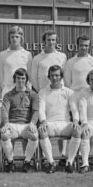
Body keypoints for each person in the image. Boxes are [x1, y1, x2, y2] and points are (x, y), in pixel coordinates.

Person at [64, 35, 93, 166]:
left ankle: (87, 157)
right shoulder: (70, 62)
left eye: (86, 45)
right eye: (81, 45)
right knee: (74, 127)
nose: (83, 48)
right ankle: (70, 157)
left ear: (89, 46)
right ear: (77, 46)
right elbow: (67, 82)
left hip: (89, 97)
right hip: (74, 97)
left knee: (87, 126)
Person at [31, 30, 68, 162]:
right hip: (43, 94)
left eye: (53, 40)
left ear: (56, 41)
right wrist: (41, 90)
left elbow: (64, 75)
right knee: (43, 124)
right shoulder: (37, 58)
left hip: (58, 94)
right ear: (44, 41)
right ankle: (44, 157)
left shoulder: (62, 56)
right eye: (48, 40)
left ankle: (63, 154)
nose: (51, 42)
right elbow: (33, 77)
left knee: (61, 121)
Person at [37, 65, 81, 174]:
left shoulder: (69, 92)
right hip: (50, 124)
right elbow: (41, 110)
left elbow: (74, 110)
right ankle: (51, 163)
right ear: (49, 77)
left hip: (65, 124)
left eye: (57, 75)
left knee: (78, 130)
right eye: (52, 75)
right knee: (42, 131)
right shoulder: (43, 92)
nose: (54, 78)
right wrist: (43, 122)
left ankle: (69, 163)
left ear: (61, 76)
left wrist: (75, 121)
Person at [0, 68, 39, 173]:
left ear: (26, 80)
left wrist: (32, 123)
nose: (20, 81)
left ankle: (27, 162)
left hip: (27, 125)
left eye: (23, 78)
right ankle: (10, 162)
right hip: (12, 125)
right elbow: (4, 111)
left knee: (34, 135)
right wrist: (6, 123)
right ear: (14, 79)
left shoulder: (33, 95)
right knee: (4, 135)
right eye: (18, 78)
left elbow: (36, 111)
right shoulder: (8, 95)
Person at [0, 26, 32, 99]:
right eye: (12, 37)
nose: (14, 39)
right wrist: (5, 88)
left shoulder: (27, 54)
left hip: (23, 90)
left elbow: (29, 75)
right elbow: (0, 75)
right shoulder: (2, 54)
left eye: (17, 37)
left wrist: (27, 89)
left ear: (21, 38)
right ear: (9, 39)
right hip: (8, 90)